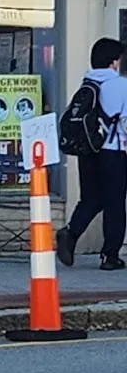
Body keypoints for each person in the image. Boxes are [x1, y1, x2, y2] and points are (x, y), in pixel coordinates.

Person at [56, 38, 127, 271]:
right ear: (114, 62)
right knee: (114, 204)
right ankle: (110, 256)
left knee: (91, 198)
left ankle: (70, 233)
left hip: (88, 151)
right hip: (113, 152)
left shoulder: (88, 82)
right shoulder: (120, 85)